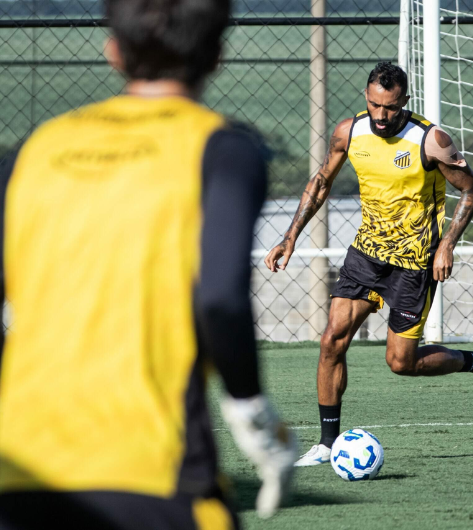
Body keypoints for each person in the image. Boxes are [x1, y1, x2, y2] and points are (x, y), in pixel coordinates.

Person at [0, 0, 296, 527]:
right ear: (217, 56)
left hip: (20, 468)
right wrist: (251, 408)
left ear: (114, 50)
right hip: (151, 473)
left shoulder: (34, 150)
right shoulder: (225, 148)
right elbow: (221, 297)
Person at [265, 62, 473, 466]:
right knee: (331, 341)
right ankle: (327, 443)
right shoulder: (349, 131)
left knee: (401, 362)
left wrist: (447, 244)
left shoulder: (431, 141)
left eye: (391, 107)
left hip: (413, 264)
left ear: (404, 103)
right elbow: (322, 181)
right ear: (366, 97)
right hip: (366, 254)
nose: (381, 115)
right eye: (375, 104)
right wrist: (290, 236)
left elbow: (471, 189)